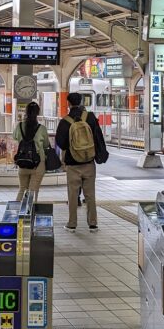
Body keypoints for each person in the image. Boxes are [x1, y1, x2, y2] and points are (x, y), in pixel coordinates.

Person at [56, 93, 108, 232]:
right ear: (81, 101)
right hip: (89, 162)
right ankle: (93, 224)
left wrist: (72, 147)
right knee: (90, 195)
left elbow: (60, 143)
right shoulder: (90, 117)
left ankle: (72, 224)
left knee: (73, 195)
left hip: (73, 164)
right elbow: (98, 137)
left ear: (68, 103)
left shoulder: (65, 121)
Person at [12, 102, 49, 202]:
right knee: (33, 191)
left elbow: (15, 137)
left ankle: (16, 213)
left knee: (22, 189)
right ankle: (29, 215)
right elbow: (46, 145)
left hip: (23, 161)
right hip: (38, 163)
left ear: (26, 112)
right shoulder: (42, 129)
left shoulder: (19, 126)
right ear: (38, 113)